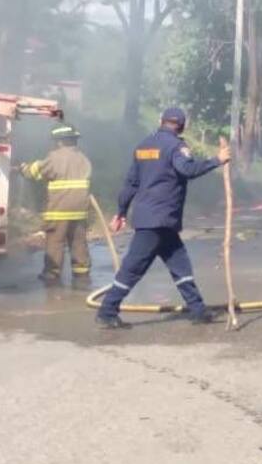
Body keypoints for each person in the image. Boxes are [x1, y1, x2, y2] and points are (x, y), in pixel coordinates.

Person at [96, 107, 231, 329]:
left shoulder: (143, 146)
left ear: (160, 121)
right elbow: (187, 169)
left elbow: (131, 183)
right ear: (183, 125)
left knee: (181, 265)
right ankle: (107, 310)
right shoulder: (177, 147)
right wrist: (217, 160)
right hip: (159, 220)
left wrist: (121, 212)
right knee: (132, 268)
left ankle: (198, 310)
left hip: (155, 220)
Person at [20, 124, 93, 288]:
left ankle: (51, 274)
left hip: (59, 211)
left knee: (55, 243)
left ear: (60, 141)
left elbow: (35, 172)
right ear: (74, 140)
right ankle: (82, 274)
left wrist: (24, 168)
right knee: (78, 243)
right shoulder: (83, 158)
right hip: (80, 211)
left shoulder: (54, 157)